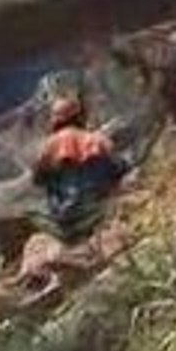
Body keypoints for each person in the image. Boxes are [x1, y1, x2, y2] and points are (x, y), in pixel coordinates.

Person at [31, 96, 130, 244]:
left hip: (72, 213)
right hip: (104, 201)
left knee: (37, 202)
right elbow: (120, 165)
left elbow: (37, 178)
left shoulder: (50, 145)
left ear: (56, 120)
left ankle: (68, 222)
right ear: (79, 117)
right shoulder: (97, 138)